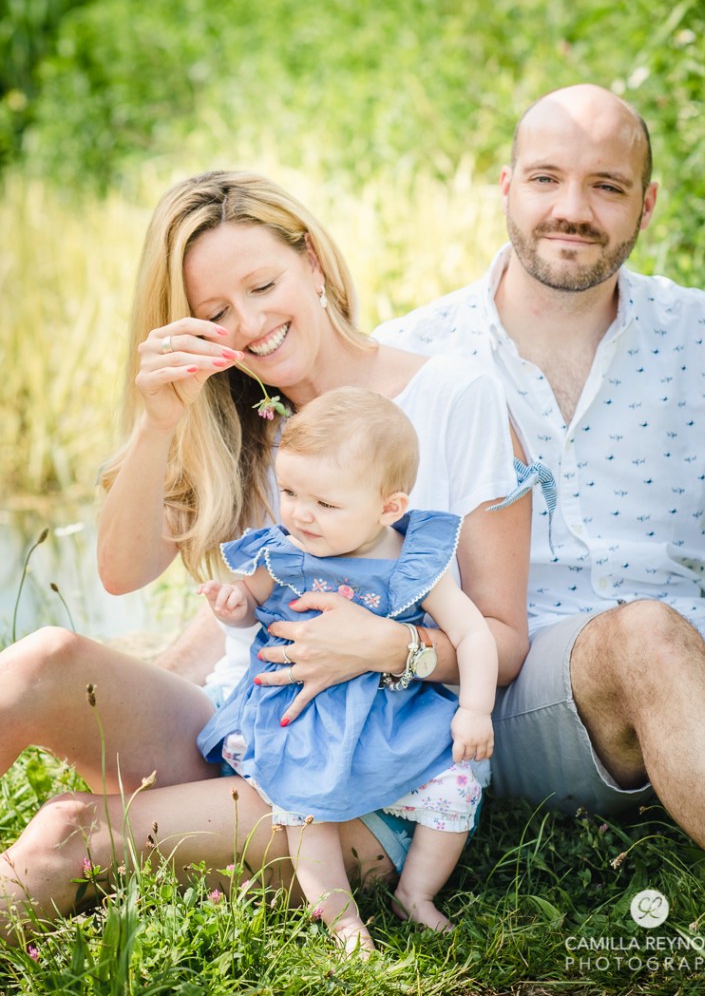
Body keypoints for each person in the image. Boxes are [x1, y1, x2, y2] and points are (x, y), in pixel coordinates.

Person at [0, 170, 533, 943]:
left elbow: (504, 640)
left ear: (311, 261)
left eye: (262, 286)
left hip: (361, 781)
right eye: (216, 312)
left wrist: (384, 645)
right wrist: (157, 423)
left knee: (68, 834)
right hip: (244, 732)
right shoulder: (237, 421)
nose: (249, 324)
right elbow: (120, 573)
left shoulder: (453, 398)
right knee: (40, 662)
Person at [374, 82, 705, 887]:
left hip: (704, 645)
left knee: (663, 635)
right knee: (644, 637)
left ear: (646, 204)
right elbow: (306, 525)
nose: (572, 210)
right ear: (506, 187)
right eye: (546, 179)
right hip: (517, 689)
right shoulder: (414, 357)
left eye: (607, 186)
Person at [197, 386, 499, 951]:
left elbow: (473, 634)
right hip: (307, 718)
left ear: (389, 508)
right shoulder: (285, 551)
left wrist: (475, 710)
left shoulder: (413, 564)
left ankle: (417, 893)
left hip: (392, 717)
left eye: (325, 504)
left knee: (455, 787)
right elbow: (251, 605)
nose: (299, 513)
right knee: (306, 813)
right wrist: (234, 606)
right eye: (289, 492)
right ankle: (341, 920)